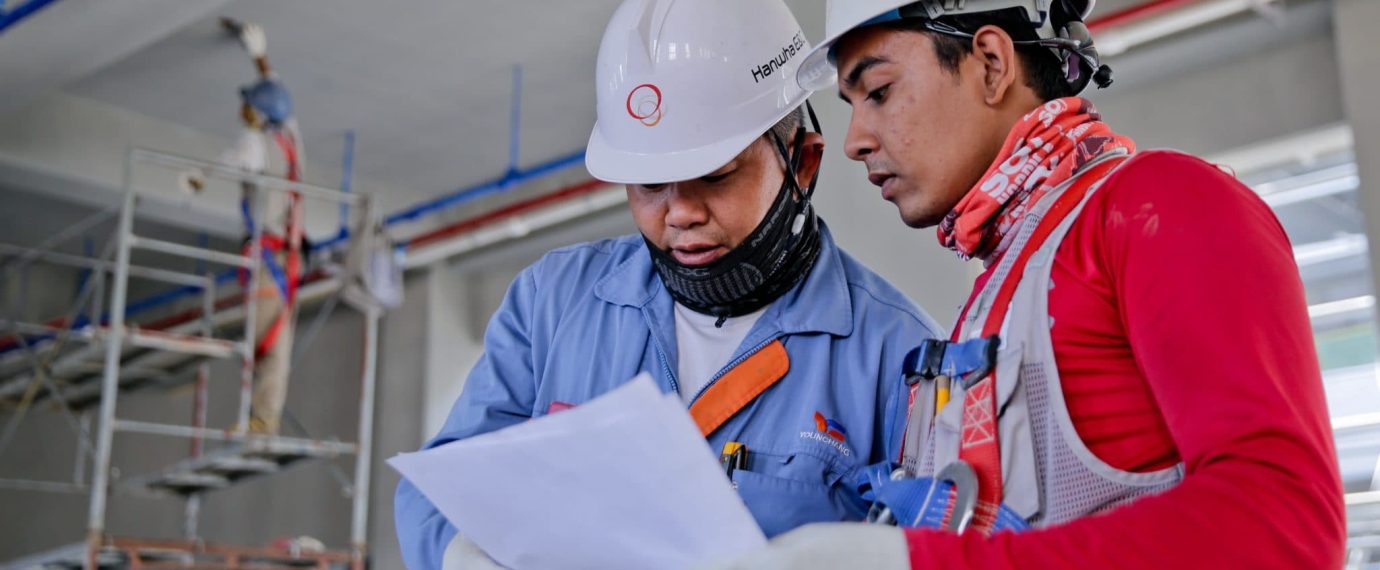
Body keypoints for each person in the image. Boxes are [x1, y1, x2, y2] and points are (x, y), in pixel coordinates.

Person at [700, 0, 1346, 568]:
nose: (856, 141)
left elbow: (1284, 529)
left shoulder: (1160, 204)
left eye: (879, 92)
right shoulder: (1005, 284)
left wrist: (918, 563)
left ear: (988, 61)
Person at [393, 0, 943, 568]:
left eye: (715, 176)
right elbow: (441, 485)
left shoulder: (899, 357)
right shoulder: (551, 304)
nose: (679, 213)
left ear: (802, 162)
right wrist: (456, 551)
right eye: (650, 183)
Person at [183, 20, 306, 435]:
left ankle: (260, 419)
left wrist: (197, 178)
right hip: (286, 255)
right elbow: (279, 97)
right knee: (275, 339)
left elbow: (229, 157)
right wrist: (260, 57)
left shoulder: (254, 145)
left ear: (256, 113)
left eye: (248, 104)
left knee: (264, 342)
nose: (242, 109)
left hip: (268, 258)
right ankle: (263, 417)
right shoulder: (289, 138)